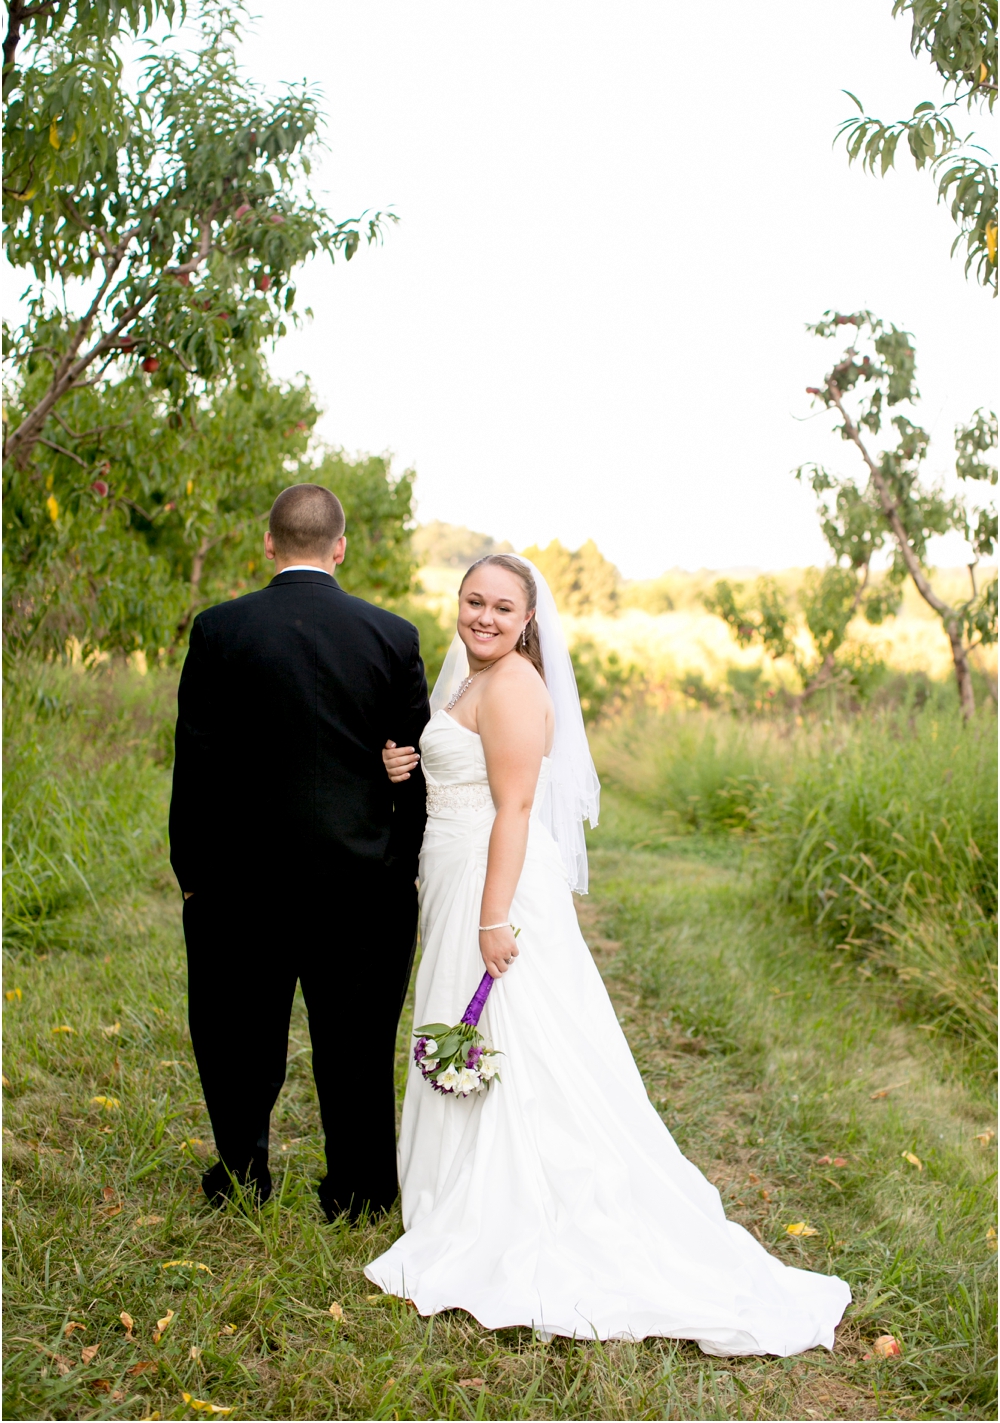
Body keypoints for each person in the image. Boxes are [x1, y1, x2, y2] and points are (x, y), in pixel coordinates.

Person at [365, 553, 851, 1355]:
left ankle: (514, 1204)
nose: (483, 617)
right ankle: (455, 1191)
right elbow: (459, 771)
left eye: (501, 608)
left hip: (496, 888)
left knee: (521, 1046)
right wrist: (404, 763)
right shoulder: (466, 679)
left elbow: (516, 809)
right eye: (473, 601)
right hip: (458, 875)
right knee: (476, 1037)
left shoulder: (517, 686)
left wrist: (493, 921)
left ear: (529, 621)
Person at [168, 483, 430, 1220]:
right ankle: (360, 1191)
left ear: (269, 544)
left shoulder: (218, 630)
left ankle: (243, 1175)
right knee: (356, 1044)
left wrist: (194, 875)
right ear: (340, 547)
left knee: (237, 1040)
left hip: (239, 886)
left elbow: (197, 762)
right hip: (362, 884)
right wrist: (398, 865)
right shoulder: (391, 635)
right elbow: (415, 768)